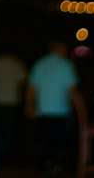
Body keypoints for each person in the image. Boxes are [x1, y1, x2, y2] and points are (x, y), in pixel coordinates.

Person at [26, 41, 79, 176]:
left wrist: (29, 106)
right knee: (59, 143)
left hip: (42, 111)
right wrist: (80, 109)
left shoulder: (39, 64)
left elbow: (31, 88)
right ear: (61, 48)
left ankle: (45, 166)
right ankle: (55, 166)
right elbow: (72, 90)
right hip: (60, 112)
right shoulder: (66, 65)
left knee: (43, 142)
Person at [0, 51, 27, 164]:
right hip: (12, 100)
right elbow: (23, 81)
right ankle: (6, 155)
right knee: (9, 129)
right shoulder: (17, 64)